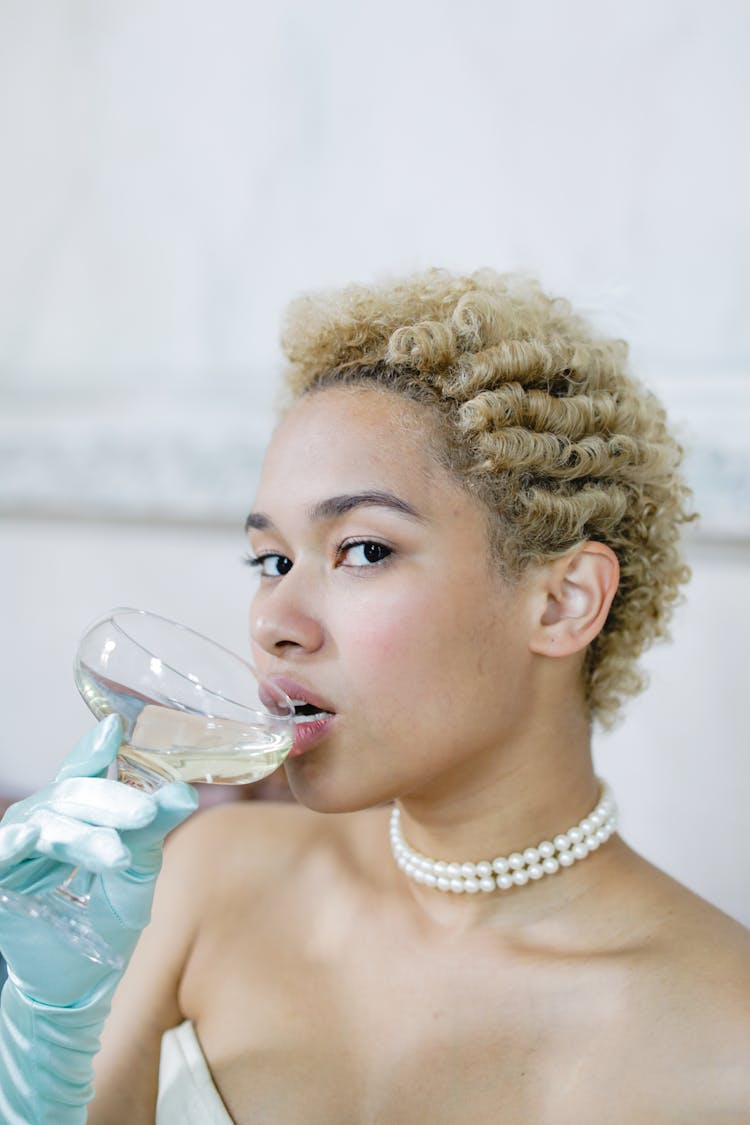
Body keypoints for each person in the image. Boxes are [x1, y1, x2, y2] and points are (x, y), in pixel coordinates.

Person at [2, 269, 749, 1123]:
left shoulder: (724, 1043)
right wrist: (42, 1029)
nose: (275, 621)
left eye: (361, 550)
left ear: (563, 599)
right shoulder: (207, 881)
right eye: (272, 560)